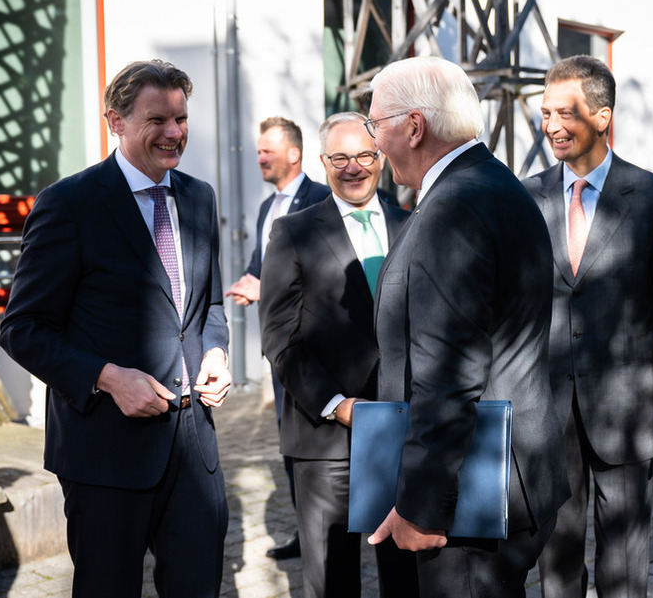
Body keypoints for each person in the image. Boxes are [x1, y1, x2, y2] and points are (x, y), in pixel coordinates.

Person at [0, 59, 232, 597]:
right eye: (158, 120)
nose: (175, 133)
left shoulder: (199, 196)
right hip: (104, 453)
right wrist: (107, 377)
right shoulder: (69, 203)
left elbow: (208, 305)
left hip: (194, 450)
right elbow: (24, 329)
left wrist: (216, 351)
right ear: (116, 121)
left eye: (181, 118)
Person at [365, 55, 568, 597]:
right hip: (510, 476)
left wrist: (422, 507)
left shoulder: (453, 206)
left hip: (471, 496)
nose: (373, 144)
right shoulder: (496, 184)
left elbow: (448, 375)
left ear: (413, 126)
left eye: (375, 125)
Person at [523, 55, 653, 598]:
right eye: (545, 112)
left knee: (625, 567)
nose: (551, 125)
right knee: (556, 562)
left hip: (625, 411)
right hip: (545, 410)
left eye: (566, 112)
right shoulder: (523, 196)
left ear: (603, 117)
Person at [259, 112, 413, 597]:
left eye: (365, 155)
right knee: (333, 580)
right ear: (323, 161)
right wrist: (337, 405)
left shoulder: (414, 224)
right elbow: (279, 336)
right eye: (340, 157)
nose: (354, 167)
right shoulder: (293, 232)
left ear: (382, 159)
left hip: (402, 430)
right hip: (326, 434)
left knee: (407, 574)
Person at [226, 116, 330, 559]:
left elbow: (323, 278)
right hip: (280, 350)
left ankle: (337, 531)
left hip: (319, 350)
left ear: (294, 153)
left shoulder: (323, 201)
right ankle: (308, 534)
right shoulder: (269, 207)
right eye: (258, 150)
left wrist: (263, 286)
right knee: (290, 444)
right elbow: (260, 266)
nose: (259, 158)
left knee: (324, 448)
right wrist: (248, 282)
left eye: (267, 150)